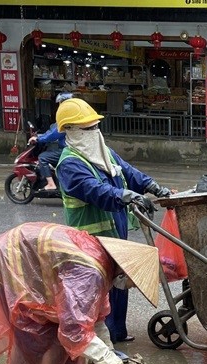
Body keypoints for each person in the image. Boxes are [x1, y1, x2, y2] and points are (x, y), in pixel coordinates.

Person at [0, 222, 161, 364]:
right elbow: (74, 330)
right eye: (133, 283)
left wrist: (107, 351)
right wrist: (105, 358)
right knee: (32, 331)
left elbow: (94, 320)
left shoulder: (103, 266)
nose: (131, 287)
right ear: (125, 272)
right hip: (13, 255)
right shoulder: (91, 273)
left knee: (56, 331)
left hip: (28, 252)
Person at [54, 97, 172, 343]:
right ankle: (100, 340)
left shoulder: (103, 153)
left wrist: (153, 186)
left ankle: (118, 333)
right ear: (70, 132)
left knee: (118, 284)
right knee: (99, 290)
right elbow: (94, 190)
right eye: (87, 129)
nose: (94, 132)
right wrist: (126, 195)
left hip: (115, 235)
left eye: (96, 126)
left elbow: (127, 171)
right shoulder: (70, 164)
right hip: (89, 241)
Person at [29, 92, 73, 190]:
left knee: (43, 157)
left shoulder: (66, 118)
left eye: (60, 103)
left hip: (67, 150)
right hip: (71, 147)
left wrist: (39, 138)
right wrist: (41, 136)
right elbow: (53, 130)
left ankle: (51, 183)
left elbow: (54, 133)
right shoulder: (73, 115)